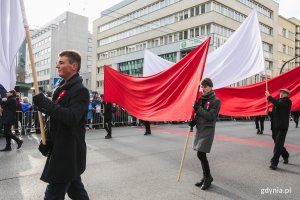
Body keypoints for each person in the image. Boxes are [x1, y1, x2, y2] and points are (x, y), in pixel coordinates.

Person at [32, 50, 90, 199]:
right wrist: (48, 142)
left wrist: (45, 103)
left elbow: (71, 117)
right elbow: (55, 119)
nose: (57, 66)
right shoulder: (61, 88)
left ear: (74, 66)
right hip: (61, 149)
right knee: (76, 192)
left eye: (61, 62)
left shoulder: (80, 91)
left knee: (52, 195)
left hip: (68, 152)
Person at [189, 78, 221, 190]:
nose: (203, 89)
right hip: (200, 129)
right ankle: (206, 177)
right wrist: (193, 121)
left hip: (207, 130)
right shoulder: (201, 99)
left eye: (205, 87)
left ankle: (208, 177)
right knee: (200, 154)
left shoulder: (216, 100)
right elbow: (199, 115)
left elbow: (211, 116)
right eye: (202, 87)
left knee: (201, 154)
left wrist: (198, 109)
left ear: (211, 87)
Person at [265, 89, 292, 170]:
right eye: (280, 93)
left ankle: (274, 162)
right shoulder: (277, 101)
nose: (281, 94)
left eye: (283, 93)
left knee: (278, 145)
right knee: (278, 143)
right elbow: (274, 114)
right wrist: (269, 113)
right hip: (275, 126)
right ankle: (285, 155)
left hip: (282, 127)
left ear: (287, 94)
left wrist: (269, 97)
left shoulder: (287, 101)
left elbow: (279, 105)